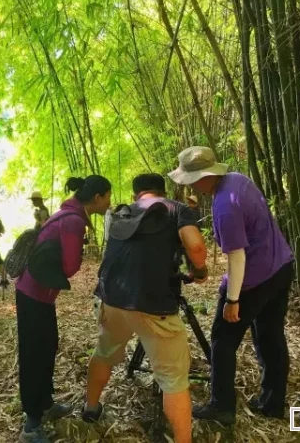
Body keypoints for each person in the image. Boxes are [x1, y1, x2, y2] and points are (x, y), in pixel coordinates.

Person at [168, 146, 294, 424]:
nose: (190, 185)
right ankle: (272, 403)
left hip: (254, 277)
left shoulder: (224, 205)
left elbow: (237, 256)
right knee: (271, 336)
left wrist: (232, 300)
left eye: (190, 179)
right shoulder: (238, 180)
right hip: (281, 265)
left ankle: (222, 406)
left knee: (223, 341)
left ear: (203, 177)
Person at [83, 173, 208, 443]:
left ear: (135, 195)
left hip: (111, 298)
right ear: (163, 192)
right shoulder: (176, 208)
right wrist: (200, 270)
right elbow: (196, 246)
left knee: (104, 353)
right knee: (174, 378)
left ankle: (90, 408)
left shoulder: (120, 213)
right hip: (153, 304)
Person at [15, 175, 112, 443]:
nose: (109, 203)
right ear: (97, 197)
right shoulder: (73, 221)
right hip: (34, 295)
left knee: (48, 346)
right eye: (108, 197)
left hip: (38, 294)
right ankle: (31, 426)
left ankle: (45, 404)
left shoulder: (66, 213)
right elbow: (70, 266)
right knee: (35, 354)